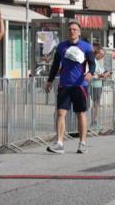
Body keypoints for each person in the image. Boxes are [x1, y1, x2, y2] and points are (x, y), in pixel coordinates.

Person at [44, 21, 96, 154]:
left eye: (74, 29)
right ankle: (60, 143)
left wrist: (90, 73)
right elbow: (55, 65)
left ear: (79, 32)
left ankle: (82, 143)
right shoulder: (61, 47)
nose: (71, 31)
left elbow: (92, 64)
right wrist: (49, 81)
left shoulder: (86, 47)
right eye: (69, 30)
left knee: (80, 114)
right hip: (64, 85)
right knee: (61, 113)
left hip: (79, 85)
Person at [89, 46, 111, 129]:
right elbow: (92, 74)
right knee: (95, 104)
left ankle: (95, 121)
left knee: (96, 104)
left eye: (103, 56)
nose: (102, 57)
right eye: (102, 55)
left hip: (98, 85)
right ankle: (93, 122)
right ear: (97, 54)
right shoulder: (93, 61)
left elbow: (100, 72)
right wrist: (102, 75)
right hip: (94, 85)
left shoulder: (97, 62)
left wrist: (106, 74)